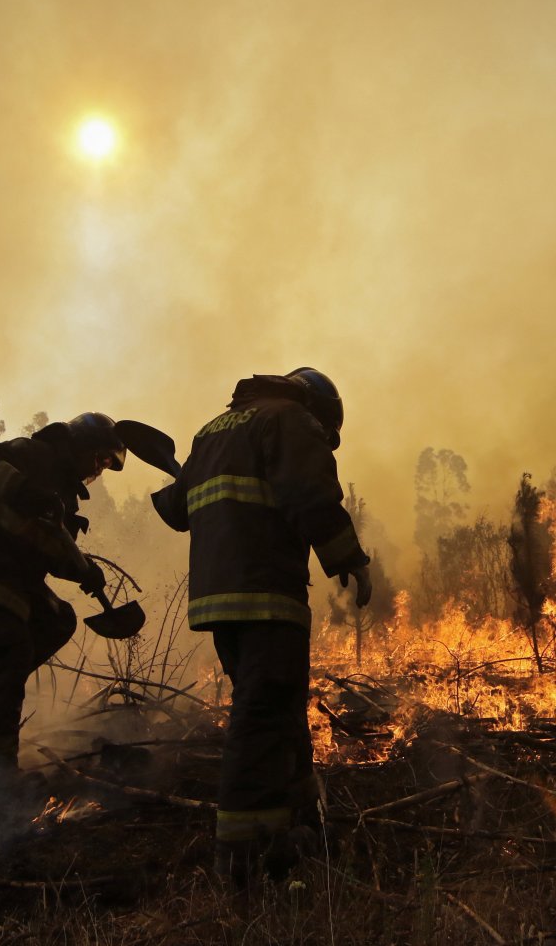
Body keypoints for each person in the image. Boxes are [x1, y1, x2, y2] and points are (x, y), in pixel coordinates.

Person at [151, 367, 372, 887]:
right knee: (260, 715)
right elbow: (308, 491)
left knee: (278, 707)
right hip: (266, 591)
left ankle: (297, 827)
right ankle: (242, 855)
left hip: (218, 599)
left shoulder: (213, 430)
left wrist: (186, 470)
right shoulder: (289, 418)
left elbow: (176, 509)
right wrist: (347, 555)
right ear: (319, 409)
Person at [0, 412, 125, 778]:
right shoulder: (34, 454)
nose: (100, 470)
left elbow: (50, 547)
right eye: (101, 459)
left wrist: (85, 570)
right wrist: (26, 492)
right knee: (9, 656)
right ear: (83, 445)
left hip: (18, 582)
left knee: (58, 620)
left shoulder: (61, 495)